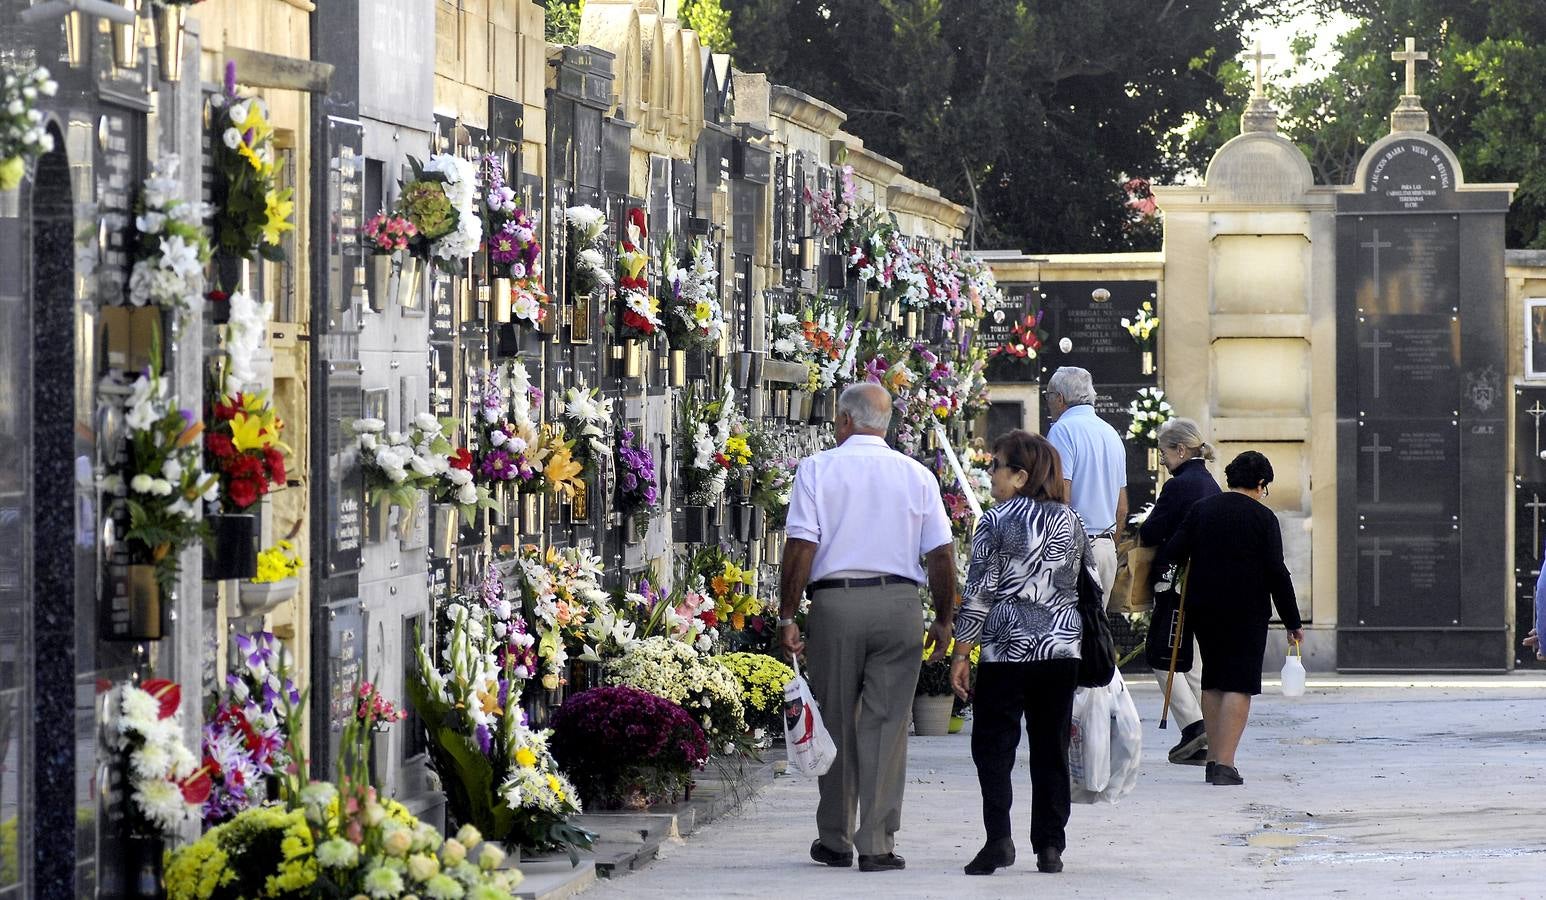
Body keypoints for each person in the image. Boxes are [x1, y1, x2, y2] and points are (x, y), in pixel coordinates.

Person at [779, 382, 957, 873]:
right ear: (887, 425)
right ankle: (876, 843)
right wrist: (943, 619)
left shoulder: (818, 469)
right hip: (900, 603)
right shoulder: (917, 474)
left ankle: (835, 838)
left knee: (834, 718)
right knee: (886, 724)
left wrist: (788, 614)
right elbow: (941, 554)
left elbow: (801, 547)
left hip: (836, 604)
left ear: (843, 421)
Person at [949, 430, 1092, 877]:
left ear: (1020, 475)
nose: (989, 473)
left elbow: (979, 592)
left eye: (997, 466)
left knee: (993, 745)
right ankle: (1050, 846)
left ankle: (999, 840)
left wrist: (961, 652)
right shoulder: (1071, 520)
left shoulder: (996, 520)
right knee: (1051, 746)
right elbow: (1089, 583)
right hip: (1061, 649)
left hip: (1006, 650)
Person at [1162, 451, 1303, 786]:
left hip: (1204, 606)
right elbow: (1276, 573)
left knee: (1212, 680)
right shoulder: (1264, 518)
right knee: (1239, 682)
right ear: (1260, 483)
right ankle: (1225, 763)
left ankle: (1213, 759)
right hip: (1246, 609)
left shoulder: (1201, 510)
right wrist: (1292, 621)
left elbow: (1173, 551)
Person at [1137, 418, 1220, 766]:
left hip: (1177, 583)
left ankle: (1194, 726)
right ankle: (1211, 740)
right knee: (1194, 663)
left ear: (1181, 450)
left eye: (1164, 452)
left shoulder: (1181, 485)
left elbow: (1153, 531)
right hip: (1206, 582)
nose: (1164, 460)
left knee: (1161, 654)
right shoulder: (1210, 483)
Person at [1044, 367, 1127, 608]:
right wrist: (1109, 545)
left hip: (1074, 549)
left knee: (1068, 636)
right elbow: (1122, 509)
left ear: (1059, 398)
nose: (1048, 403)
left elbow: (1062, 497)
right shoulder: (1111, 433)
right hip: (1106, 548)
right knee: (1095, 638)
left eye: (1048, 396)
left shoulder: (1062, 430)